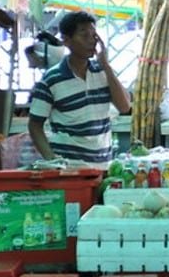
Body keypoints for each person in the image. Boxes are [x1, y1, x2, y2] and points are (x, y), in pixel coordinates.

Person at [29, 11, 130, 164]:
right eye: (84, 36)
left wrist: (107, 66)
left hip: (103, 163)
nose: (92, 41)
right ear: (66, 40)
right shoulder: (52, 80)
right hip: (69, 167)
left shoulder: (103, 72)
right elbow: (34, 125)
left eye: (94, 35)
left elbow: (124, 107)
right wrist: (51, 158)